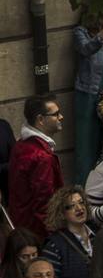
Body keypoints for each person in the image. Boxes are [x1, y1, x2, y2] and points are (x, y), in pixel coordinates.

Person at [10, 95, 65, 236]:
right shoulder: (41, 157)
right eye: (56, 114)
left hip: (23, 229)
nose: (61, 117)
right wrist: (55, 234)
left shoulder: (21, 145)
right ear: (40, 119)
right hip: (38, 234)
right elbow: (45, 203)